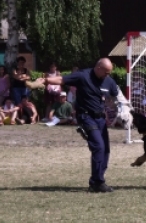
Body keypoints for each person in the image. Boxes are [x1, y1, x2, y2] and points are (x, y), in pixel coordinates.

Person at [26, 58, 119, 193]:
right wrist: (45, 81)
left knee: (105, 150)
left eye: (109, 73)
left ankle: (99, 178)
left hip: (100, 118)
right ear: (98, 67)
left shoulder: (109, 81)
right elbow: (62, 80)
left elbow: (115, 96)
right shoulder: (83, 76)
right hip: (86, 116)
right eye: (106, 72)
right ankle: (97, 182)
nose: (108, 75)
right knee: (98, 146)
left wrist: (121, 107)